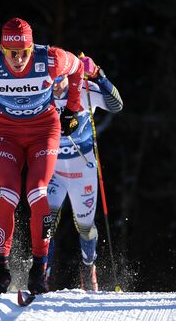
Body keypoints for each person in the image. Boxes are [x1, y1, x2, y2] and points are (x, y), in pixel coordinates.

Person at [0, 17, 84, 296]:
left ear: (31, 48)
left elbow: (78, 67)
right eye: (11, 53)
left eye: (24, 53)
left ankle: (38, 270)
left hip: (44, 130)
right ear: (2, 49)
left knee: (37, 191)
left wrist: (73, 109)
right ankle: (0, 270)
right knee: (9, 193)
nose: (17, 60)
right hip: (7, 132)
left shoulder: (50, 60)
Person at [45, 55, 123, 291]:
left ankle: (89, 267)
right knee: (44, 222)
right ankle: (41, 273)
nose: (55, 86)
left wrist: (99, 73)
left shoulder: (85, 89)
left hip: (83, 169)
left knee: (86, 227)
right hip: (54, 169)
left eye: (60, 79)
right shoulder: (41, 92)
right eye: (51, 80)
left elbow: (117, 105)